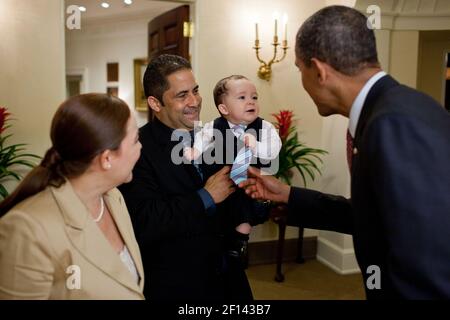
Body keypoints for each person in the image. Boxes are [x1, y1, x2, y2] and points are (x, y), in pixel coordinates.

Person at [239, 5, 450, 299]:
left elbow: (428, 262)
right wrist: (288, 195)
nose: (303, 83)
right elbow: (375, 216)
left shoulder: (394, 123)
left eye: (301, 70)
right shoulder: (389, 110)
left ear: (320, 71)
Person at [118, 54, 253, 301]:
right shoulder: (137, 148)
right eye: (182, 95)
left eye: (196, 90)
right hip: (177, 284)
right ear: (155, 103)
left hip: (228, 277)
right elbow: (145, 221)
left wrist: (257, 196)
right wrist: (206, 197)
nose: (195, 101)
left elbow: (236, 205)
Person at [0, 93, 144, 300]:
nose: (140, 147)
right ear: (107, 158)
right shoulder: (27, 229)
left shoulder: (115, 199)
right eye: (135, 140)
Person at [184, 75, 281, 259]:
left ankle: (240, 240)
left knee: (244, 208)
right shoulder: (214, 126)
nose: (250, 101)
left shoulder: (265, 127)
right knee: (217, 208)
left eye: (254, 97)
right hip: (222, 180)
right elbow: (202, 138)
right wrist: (195, 151)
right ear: (224, 108)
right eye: (242, 97)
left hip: (248, 182)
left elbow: (273, 149)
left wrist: (256, 146)